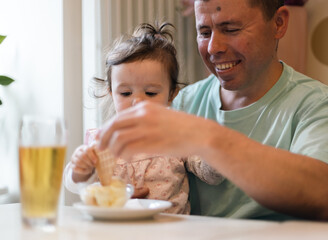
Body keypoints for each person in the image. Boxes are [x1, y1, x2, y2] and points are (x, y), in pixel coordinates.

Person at [96, 0, 328, 221]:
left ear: (278, 23)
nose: (213, 48)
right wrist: (127, 196)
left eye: (230, 29)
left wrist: (207, 138)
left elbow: (322, 196)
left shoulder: (318, 104)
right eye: (204, 32)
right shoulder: (180, 103)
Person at [63, 22, 224, 214]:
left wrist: (215, 153)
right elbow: (74, 185)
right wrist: (79, 169)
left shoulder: (176, 137)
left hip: (170, 229)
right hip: (116, 229)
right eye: (125, 93)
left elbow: (213, 176)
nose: (137, 101)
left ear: (172, 94)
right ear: (111, 93)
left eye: (150, 93)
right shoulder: (103, 141)